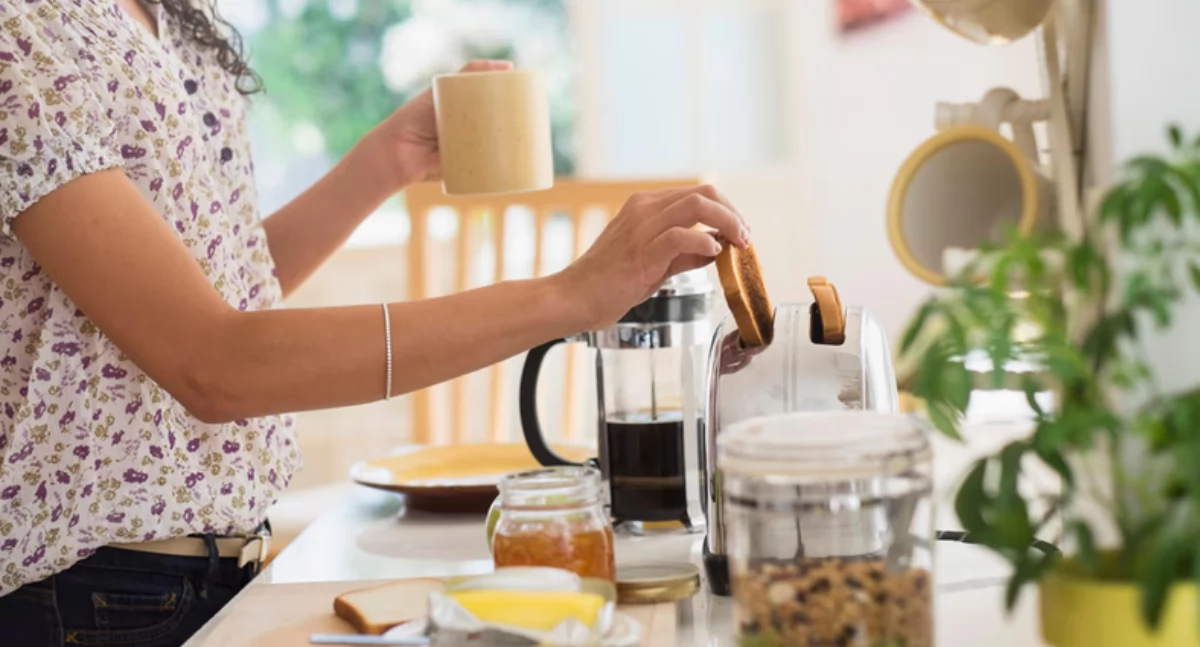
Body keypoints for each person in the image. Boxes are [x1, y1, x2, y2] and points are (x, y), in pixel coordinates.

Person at [0, 1, 750, 645]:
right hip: (90, 592)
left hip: (210, 569)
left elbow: (213, 281)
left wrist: (384, 161)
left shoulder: (162, 18)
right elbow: (213, 361)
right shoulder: (24, 34)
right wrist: (570, 295)